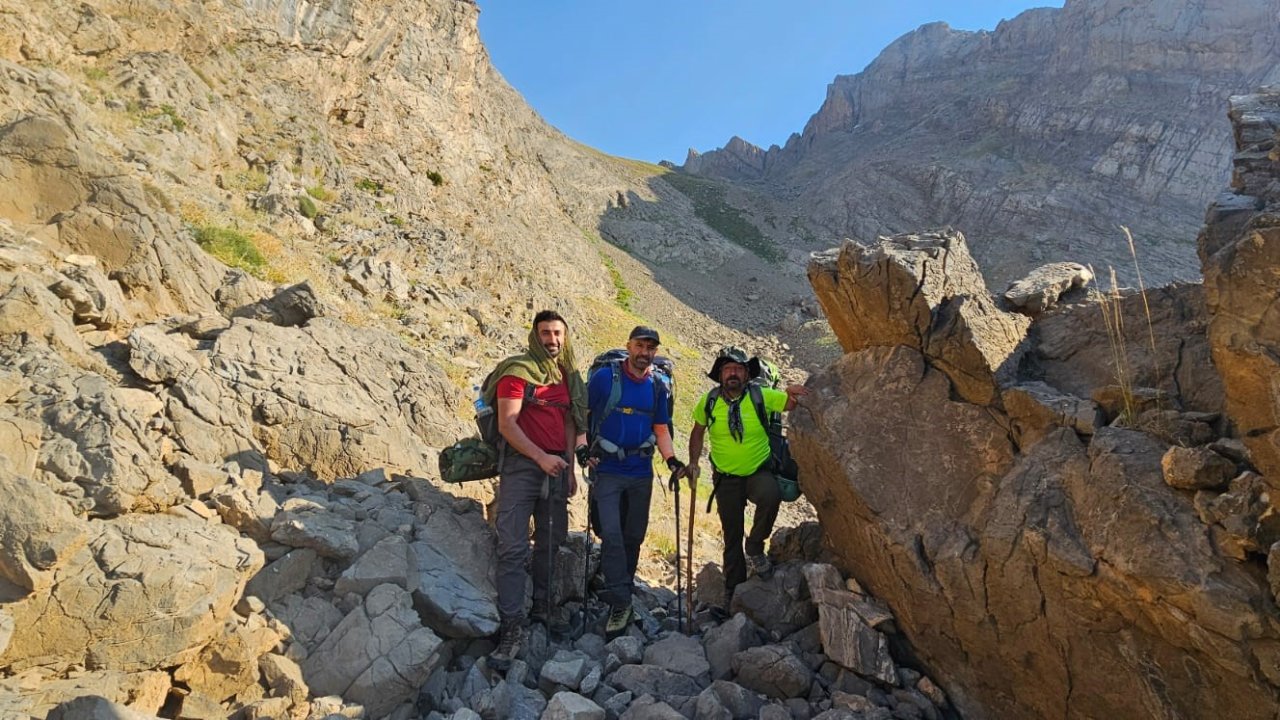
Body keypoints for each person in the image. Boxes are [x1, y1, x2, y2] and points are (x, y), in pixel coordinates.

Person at [489, 310, 588, 671]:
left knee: (551, 541)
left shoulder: (565, 375)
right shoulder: (517, 372)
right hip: (521, 467)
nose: (553, 339)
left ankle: (545, 608)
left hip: (558, 469)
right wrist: (540, 457)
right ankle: (511, 625)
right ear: (535, 335)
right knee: (512, 546)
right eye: (546, 333)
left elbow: (567, 421)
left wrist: (569, 467)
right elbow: (507, 424)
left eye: (558, 333)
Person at [684, 346, 808, 602]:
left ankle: (754, 547)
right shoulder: (708, 402)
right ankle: (733, 591)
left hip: (757, 470)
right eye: (728, 369)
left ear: (747, 375)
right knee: (731, 534)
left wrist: (795, 393)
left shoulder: (759, 395)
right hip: (725, 477)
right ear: (719, 374)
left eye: (738, 369)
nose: (733, 374)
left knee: (770, 495)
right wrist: (693, 462)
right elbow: (697, 431)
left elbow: (788, 402)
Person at [585, 326, 685, 639]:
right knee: (611, 534)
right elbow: (583, 414)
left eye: (650, 348)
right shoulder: (604, 379)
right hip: (608, 469)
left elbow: (661, 428)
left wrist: (671, 461)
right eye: (640, 346)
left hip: (641, 471)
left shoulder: (657, 385)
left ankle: (621, 590)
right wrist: (581, 450)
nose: (645, 353)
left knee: (633, 536)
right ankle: (621, 603)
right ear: (629, 346)